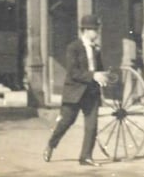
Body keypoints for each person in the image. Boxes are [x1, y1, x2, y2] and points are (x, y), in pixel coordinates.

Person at [43, 15, 107, 166]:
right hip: (74, 92)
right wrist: (93, 75)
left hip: (91, 92)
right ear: (85, 30)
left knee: (92, 125)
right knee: (66, 122)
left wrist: (104, 77)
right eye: (94, 30)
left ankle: (85, 157)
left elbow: (100, 69)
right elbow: (73, 72)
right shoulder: (73, 47)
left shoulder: (96, 49)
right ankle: (51, 144)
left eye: (97, 30)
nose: (96, 33)